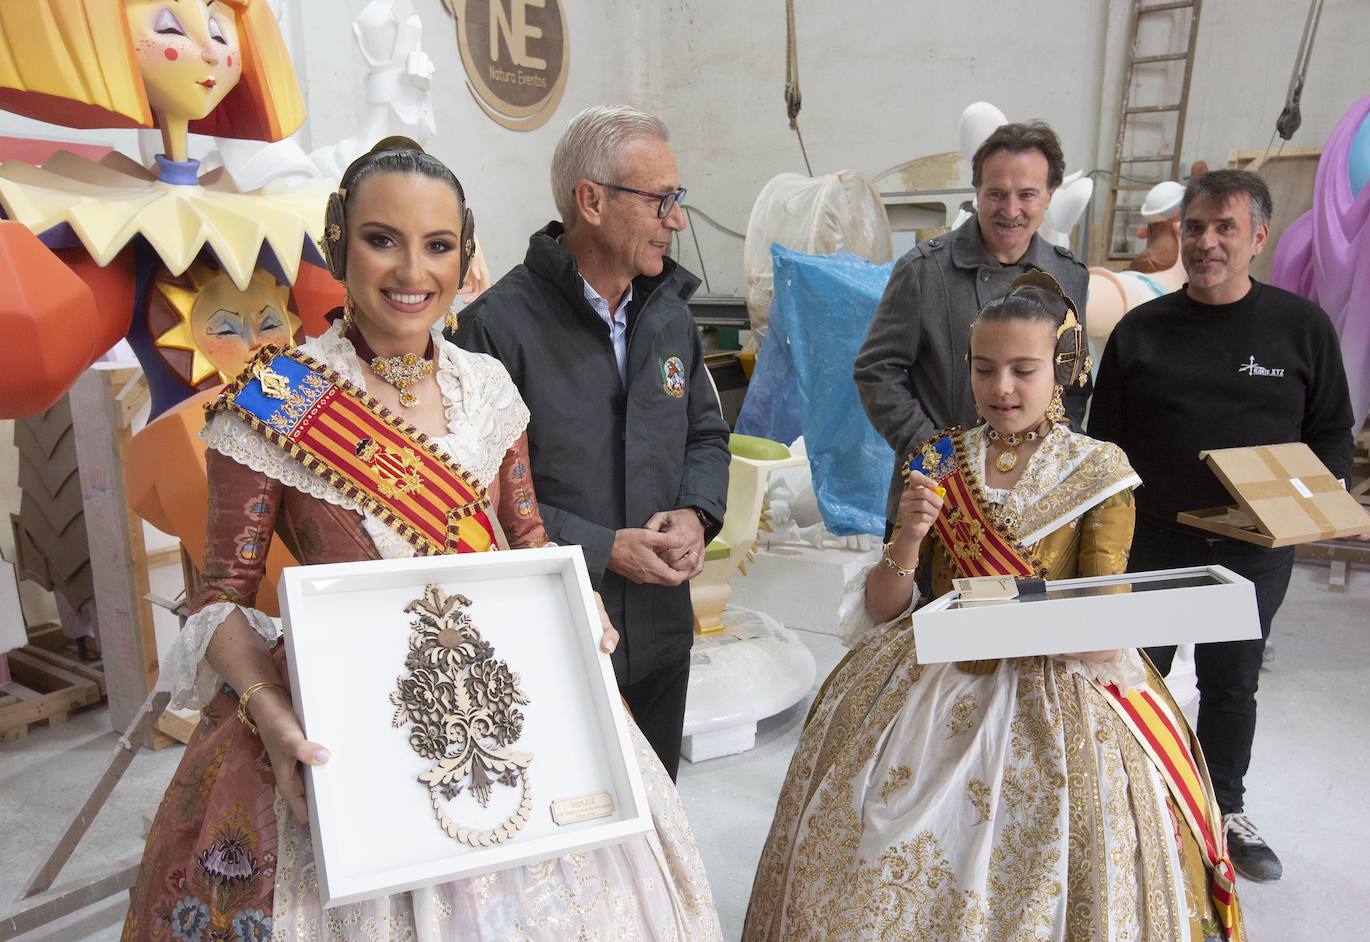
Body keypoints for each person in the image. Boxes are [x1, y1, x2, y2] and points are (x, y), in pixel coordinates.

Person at [124, 141, 722, 941]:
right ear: (339, 243)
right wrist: (268, 714)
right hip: (340, 720)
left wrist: (579, 613)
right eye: (383, 239)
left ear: (464, 255)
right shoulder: (276, 397)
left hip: (501, 707)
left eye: (438, 246)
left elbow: (527, 542)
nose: (412, 272)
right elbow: (219, 602)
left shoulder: (487, 388)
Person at [745, 274, 1244, 941]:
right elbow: (885, 606)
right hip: (930, 684)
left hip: (1055, 695)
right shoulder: (940, 456)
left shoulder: (1098, 470)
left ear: (1061, 371)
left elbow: (1103, 629)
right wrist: (910, 535)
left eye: (1023, 369)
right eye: (985, 369)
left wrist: (1035, 622)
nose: (1001, 387)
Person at [1088, 169, 1358, 884]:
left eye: (1225, 228)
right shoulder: (1141, 333)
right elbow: (1102, 444)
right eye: (1195, 227)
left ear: (1258, 238)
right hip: (1155, 539)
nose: (1206, 241)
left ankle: (1223, 810)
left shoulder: (1301, 328)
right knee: (1134, 675)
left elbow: (1333, 433)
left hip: (1254, 545)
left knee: (1232, 681)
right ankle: (1124, 800)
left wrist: (1305, 500)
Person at [454, 105, 730, 780]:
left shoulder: (669, 319)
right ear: (591, 201)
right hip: (560, 626)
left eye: (678, 199)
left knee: (657, 806)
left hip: (663, 626)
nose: (677, 220)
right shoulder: (494, 330)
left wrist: (695, 511)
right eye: (661, 200)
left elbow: (706, 434)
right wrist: (605, 549)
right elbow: (473, 498)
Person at [855, 121, 1091, 530]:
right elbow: (876, 371)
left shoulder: (1068, 276)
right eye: (996, 194)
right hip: (937, 500)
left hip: (1033, 501)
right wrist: (940, 456)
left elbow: (1074, 380)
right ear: (977, 192)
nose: (1011, 210)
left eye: (1028, 195)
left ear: (1050, 196)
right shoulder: (925, 272)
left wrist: (1052, 459)